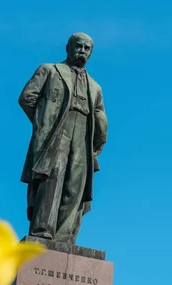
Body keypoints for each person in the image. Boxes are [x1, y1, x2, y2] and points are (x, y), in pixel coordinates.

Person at [18, 32, 108, 244]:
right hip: (57, 131)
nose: (83, 51)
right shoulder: (49, 70)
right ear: (68, 47)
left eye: (88, 49)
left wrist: (98, 142)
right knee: (52, 178)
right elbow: (27, 98)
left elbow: (99, 113)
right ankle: (42, 231)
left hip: (83, 134)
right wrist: (44, 124)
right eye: (79, 46)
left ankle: (64, 237)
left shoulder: (95, 86)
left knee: (74, 185)